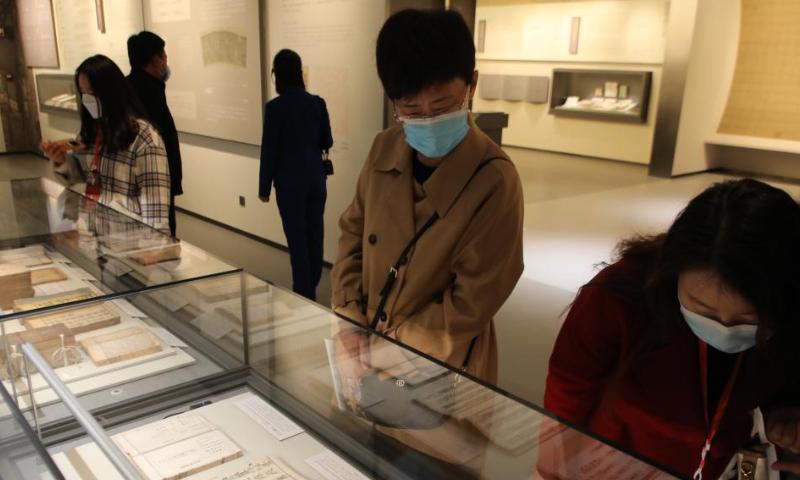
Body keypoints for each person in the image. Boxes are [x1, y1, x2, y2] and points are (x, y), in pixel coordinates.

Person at [545, 179, 800, 480]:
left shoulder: (790, 305)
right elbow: (568, 388)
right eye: (702, 309)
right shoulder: (620, 293)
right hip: (615, 463)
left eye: (749, 319)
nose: (726, 328)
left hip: (718, 463)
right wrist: (556, 469)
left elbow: (785, 370)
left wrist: (783, 407)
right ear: (673, 268)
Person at [330, 9, 524, 384]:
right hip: (368, 353)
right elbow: (353, 235)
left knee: (429, 441)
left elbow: (472, 301)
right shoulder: (384, 147)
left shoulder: (495, 180)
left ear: (472, 85)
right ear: (392, 100)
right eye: (411, 110)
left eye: (443, 106)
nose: (429, 120)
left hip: (438, 366)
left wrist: (384, 349)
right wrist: (351, 320)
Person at [40, 55, 171, 233]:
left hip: (130, 238)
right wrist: (61, 160)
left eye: (92, 93)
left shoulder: (144, 138)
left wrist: (154, 248)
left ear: (111, 92)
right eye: (82, 92)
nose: (87, 99)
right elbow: (81, 174)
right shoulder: (94, 131)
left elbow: (156, 208)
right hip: (98, 235)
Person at [259, 49, 333, 301]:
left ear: (276, 75)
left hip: (289, 184)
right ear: (300, 72)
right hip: (315, 179)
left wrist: (264, 188)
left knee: (297, 237)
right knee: (315, 231)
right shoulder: (317, 103)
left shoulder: (274, 108)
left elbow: (269, 149)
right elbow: (327, 140)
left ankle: (304, 293)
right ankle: (312, 280)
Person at [127, 31, 182, 237]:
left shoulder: (132, 86)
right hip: (153, 179)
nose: (166, 60)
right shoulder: (149, 91)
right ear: (155, 59)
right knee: (159, 235)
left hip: (143, 180)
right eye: (164, 55)